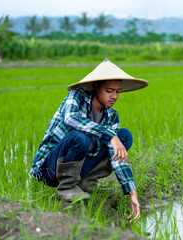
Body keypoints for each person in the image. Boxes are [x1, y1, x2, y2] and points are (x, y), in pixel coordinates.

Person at [30, 58, 148, 221]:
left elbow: (117, 157)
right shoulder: (76, 96)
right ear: (95, 86)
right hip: (49, 169)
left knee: (124, 137)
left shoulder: (111, 115)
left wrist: (131, 192)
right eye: (109, 90)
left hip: (78, 167)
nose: (114, 96)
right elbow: (70, 118)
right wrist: (109, 134)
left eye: (117, 91)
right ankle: (66, 187)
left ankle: (86, 183)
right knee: (80, 137)